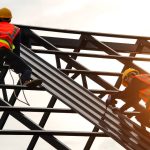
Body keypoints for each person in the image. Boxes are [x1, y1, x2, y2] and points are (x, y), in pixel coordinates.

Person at [0, 7, 42, 87]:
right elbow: (16, 50)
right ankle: (26, 80)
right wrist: (15, 63)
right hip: (4, 51)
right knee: (27, 70)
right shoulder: (15, 29)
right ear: (10, 19)